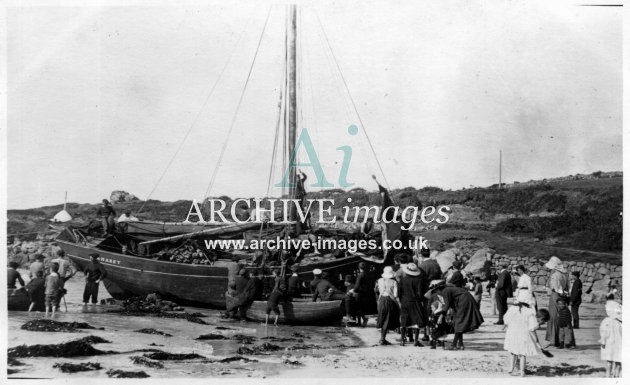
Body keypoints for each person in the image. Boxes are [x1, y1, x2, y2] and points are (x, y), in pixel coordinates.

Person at [503, 290, 549, 377]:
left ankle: (511, 369)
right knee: (522, 353)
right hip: (523, 334)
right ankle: (522, 371)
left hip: (512, 333)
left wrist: (506, 325)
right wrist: (537, 340)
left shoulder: (513, 308)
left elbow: (506, 319)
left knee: (513, 352)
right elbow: (532, 327)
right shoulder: (530, 311)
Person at [442, 274, 484, 350]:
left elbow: (447, 304)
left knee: (459, 322)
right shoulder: (453, 288)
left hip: (463, 302)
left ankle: (454, 344)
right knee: (459, 322)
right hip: (467, 299)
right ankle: (460, 344)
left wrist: (442, 314)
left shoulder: (446, 290)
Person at [398, 263, 426, 346]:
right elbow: (420, 293)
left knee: (404, 320)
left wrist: (401, 300)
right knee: (416, 320)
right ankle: (416, 340)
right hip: (415, 301)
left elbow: (399, 292)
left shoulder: (402, 280)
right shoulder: (418, 280)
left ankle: (402, 340)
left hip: (405, 301)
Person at [544, 256, 569, 347]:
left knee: (553, 317)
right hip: (562, 298)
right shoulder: (564, 275)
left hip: (555, 296)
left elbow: (555, 288)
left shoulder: (555, 275)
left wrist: (556, 291)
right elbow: (566, 288)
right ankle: (560, 339)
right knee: (560, 317)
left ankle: (553, 340)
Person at [374, 266, 400, 345]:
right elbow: (395, 295)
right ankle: (382, 339)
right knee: (387, 319)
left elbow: (376, 290)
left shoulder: (379, 280)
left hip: (381, 300)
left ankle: (382, 338)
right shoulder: (394, 282)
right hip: (389, 300)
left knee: (382, 317)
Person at [599, 300, 622, 378]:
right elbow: (603, 332)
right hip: (612, 343)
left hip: (615, 344)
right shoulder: (608, 321)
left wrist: (603, 340)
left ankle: (613, 375)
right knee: (614, 360)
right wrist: (603, 340)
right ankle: (612, 375)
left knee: (615, 360)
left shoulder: (617, 322)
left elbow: (603, 332)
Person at [346, 261, 370, 327]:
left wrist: (352, 291)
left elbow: (356, 286)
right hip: (365, 292)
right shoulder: (366, 274)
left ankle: (363, 319)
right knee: (360, 307)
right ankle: (360, 321)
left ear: (359, 268)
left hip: (359, 293)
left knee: (357, 307)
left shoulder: (360, 275)